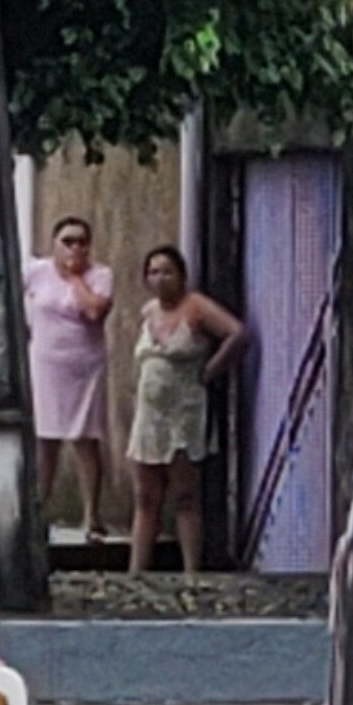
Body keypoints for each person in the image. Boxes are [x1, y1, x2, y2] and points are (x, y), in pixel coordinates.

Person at [125, 246, 244, 578]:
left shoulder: (196, 307)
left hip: (184, 411)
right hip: (149, 414)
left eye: (167, 272)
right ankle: (136, 570)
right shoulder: (148, 311)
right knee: (146, 495)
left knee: (185, 495)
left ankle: (192, 571)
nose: (160, 279)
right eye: (153, 272)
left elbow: (237, 333)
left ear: (181, 275)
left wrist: (210, 370)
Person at [23, 215, 115, 543]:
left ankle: (91, 516)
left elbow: (94, 312)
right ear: (54, 244)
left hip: (84, 367)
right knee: (44, 440)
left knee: (84, 438)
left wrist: (76, 278)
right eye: (68, 241)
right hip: (46, 364)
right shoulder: (36, 271)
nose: (75, 247)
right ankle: (38, 511)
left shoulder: (100, 275)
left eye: (81, 241)